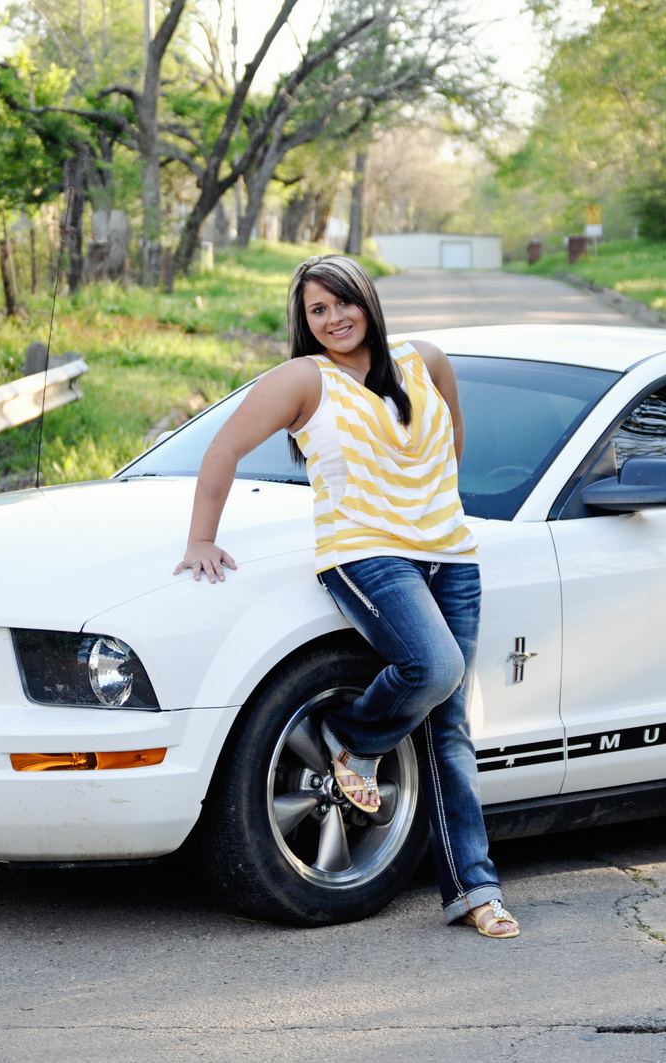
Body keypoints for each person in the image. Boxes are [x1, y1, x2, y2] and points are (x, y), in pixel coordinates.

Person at [173, 253, 518, 939]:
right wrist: (200, 540)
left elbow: (449, 442)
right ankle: (352, 740)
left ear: (369, 300)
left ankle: (475, 890)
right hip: (365, 553)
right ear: (305, 323)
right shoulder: (305, 378)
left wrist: (431, 505)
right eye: (317, 310)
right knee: (435, 667)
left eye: (343, 303)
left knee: (450, 728)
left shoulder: (426, 360)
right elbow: (223, 449)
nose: (334, 319)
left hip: (450, 555)